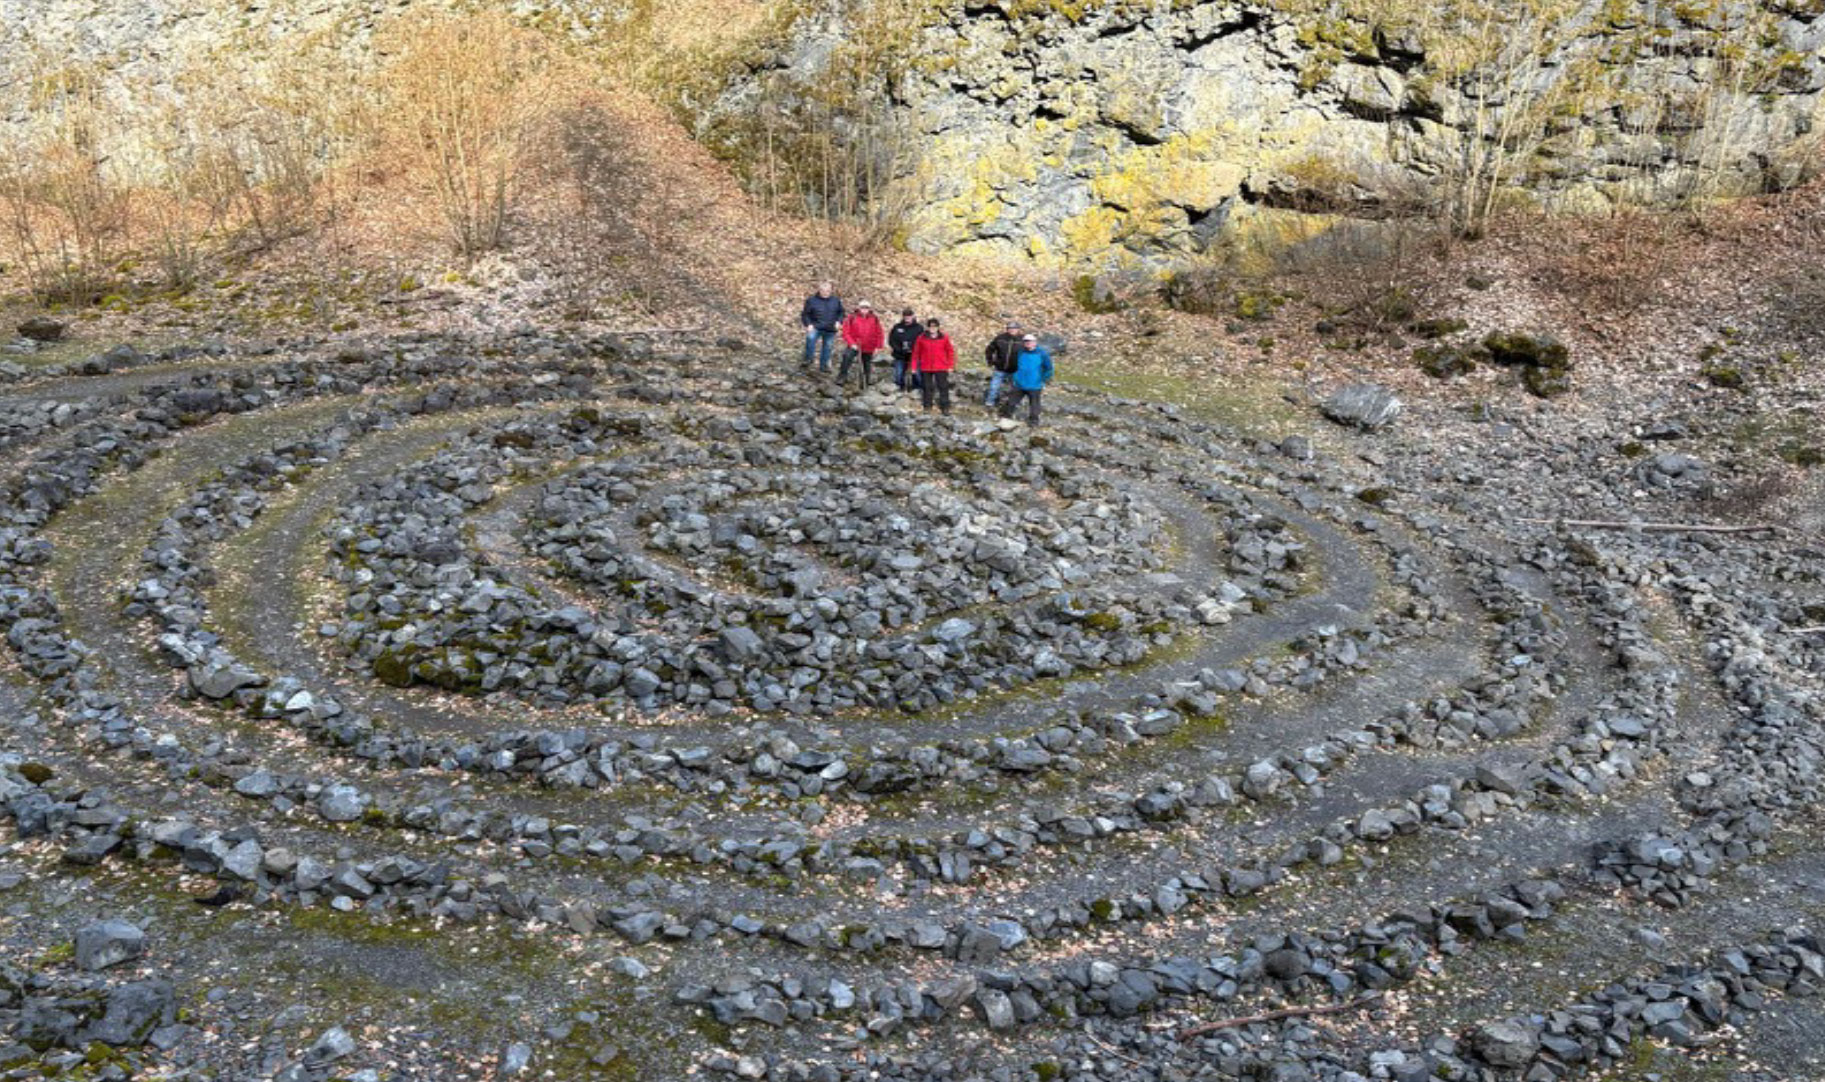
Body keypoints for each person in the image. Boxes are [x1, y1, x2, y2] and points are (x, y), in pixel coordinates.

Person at [1000, 332, 1053, 427]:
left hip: (1034, 385)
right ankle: (1006, 417)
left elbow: (1048, 368)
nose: (1027, 343)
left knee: (1034, 405)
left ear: (1035, 342)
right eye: (1025, 341)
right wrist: (1014, 377)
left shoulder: (1042, 353)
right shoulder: (1020, 352)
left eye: (1029, 341)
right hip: (1019, 384)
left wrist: (1043, 379)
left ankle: (1034, 421)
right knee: (1011, 402)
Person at [910, 317, 956, 415]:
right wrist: (913, 367)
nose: (932, 328)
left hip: (941, 366)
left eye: (935, 326)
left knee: (943, 387)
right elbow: (916, 353)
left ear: (938, 327)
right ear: (928, 327)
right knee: (927, 387)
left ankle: (945, 407)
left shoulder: (944, 337)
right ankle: (927, 406)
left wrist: (950, 365)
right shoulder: (921, 337)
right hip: (926, 366)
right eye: (931, 326)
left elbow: (950, 351)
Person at [837, 300, 885, 387]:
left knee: (867, 363)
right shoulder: (851, 317)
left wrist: (878, 346)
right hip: (855, 345)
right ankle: (842, 376)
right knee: (847, 357)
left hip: (869, 346)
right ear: (859, 308)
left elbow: (880, 333)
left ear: (869, 309)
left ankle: (866, 380)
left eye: (866, 308)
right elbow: (845, 332)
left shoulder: (874, 318)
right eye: (862, 307)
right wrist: (852, 344)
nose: (864, 309)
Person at [799, 281, 844, 372]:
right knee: (810, 339)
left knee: (827, 347)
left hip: (830, 328)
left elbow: (841, 312)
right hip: (816, 326)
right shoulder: (811, 300)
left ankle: (823, 366)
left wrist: (839, 322)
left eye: (827, 291)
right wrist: (808, 324)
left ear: (831, 291)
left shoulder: (836, 300)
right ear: (819, 290)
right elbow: (805, 314)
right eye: (823, 290)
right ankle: (808, 359)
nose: (825, 292)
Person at [983, 319, 1023, 410]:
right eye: (1010, 328)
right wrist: (990, 361)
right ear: (1007, 329)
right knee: (993, 387)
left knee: (1015, 389)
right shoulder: (1000, 338)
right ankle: (989, 403)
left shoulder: (1023, 340)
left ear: (1018, 329)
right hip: (1000, 368)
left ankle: (1013, 405)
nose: (1012, 330)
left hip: (1015, 369)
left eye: (1014, 328)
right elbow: (989, 349)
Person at [889, 307, 923, 392]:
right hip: (900, 355)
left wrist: (914, 350)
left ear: (913, 316)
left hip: (915, 355)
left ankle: (917, 390)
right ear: (903, 317)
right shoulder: (897, 327)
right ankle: (900, 389)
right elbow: (891, 340)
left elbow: (923, 341)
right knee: (899, 375)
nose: (907, 318)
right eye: (905, 316)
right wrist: (899, 349)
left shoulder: (919, 328)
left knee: (916, 374)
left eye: (909, 316)